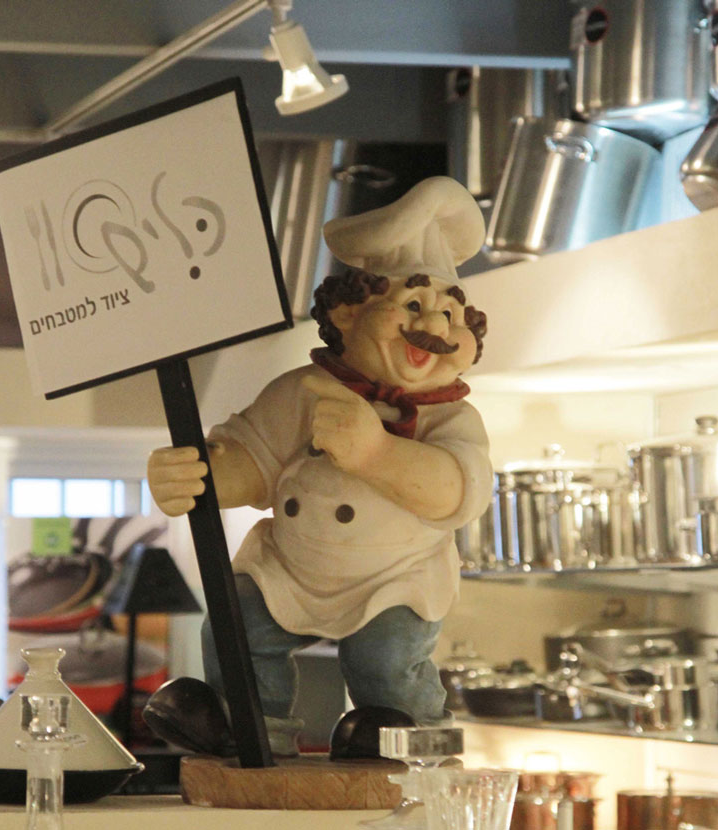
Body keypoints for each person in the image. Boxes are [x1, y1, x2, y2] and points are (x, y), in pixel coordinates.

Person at [144, 177, 494, 757]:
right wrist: (198, 476)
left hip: (395, 576)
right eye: (413, 306)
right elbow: (253, 460)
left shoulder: (450, 415)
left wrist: (377, 454)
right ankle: (252, 727)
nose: (434, 328)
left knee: (384, 660)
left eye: (450, 314)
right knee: (236, 624)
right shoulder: (302, 391)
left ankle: (407, 734)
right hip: (291, 567)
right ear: (350, 314)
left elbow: (461, 491)